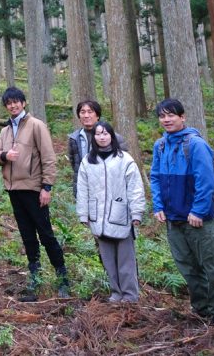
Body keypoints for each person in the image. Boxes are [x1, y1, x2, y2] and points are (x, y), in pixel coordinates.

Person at [149, 98, 214, 325]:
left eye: (171, 115)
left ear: (182, 117)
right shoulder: (160, 146)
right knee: (188, 269)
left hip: (199, 221)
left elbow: (205, 181)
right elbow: (155, 177)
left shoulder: (195, 144)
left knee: (211, 267)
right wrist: (158, 206)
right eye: (162, 116)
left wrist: (197, 211)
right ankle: (202, 309)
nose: (166, 120)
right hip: (174, 220)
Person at [0, 86, 69, 298]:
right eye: (9, 103)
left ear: (23, 103)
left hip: (34, 189)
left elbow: (49, 157)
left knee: (45, 234)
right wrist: (6, 155)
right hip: (14, 190)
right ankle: (35, 280)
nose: (13, 105)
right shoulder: (5, 131)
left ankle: (62, 279)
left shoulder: (36, 126)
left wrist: (47, 187)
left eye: (16, 101)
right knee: (27, 236)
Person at [75, 120, 145, 302]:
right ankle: (116, 292)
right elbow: (82, 189)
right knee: (108, 260)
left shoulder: (125, 159)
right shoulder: (87, 161)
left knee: (125, 261)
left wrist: (137, 213)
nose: (102, 137)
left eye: (105, 133)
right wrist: (83, 214)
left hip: (121, 216)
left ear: (112, 136)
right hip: (98, 216)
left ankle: (130, 295)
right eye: (98, 134)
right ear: (94, 137)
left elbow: (135, 187)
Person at [68, 99, 125, 199]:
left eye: (90, 112)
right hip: (84, 189)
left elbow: (123, 164)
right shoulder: (74, 138)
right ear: (79, 116)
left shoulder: (113, 138)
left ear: (97, 116)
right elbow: (74, 164)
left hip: (109, 190)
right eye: (82, 112)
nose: (86, 115)